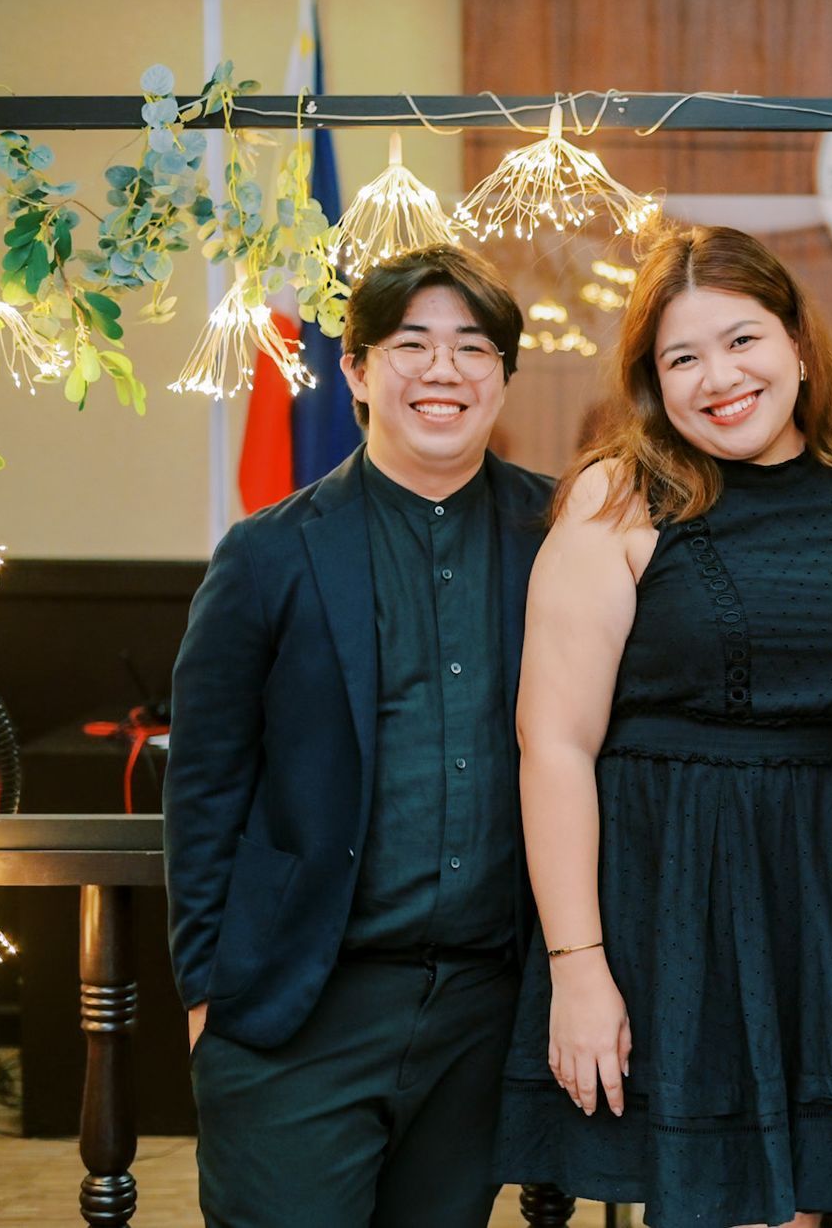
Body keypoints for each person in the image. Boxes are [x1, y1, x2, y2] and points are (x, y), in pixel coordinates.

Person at [492, 225, 832, 1228]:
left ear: (798, 345)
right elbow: (554, 745)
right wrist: (577, 965)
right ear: (653, 381)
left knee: (824, 1204)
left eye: (742, 341)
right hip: (681, 896)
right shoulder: (617, 497)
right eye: (682, 357)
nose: (719, 378)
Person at [165, 243, 547, 1227]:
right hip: (300, 1007)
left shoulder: (560, 536)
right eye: (411, 344)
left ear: (503, 375)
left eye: (472, 347)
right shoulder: (267, 552)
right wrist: (207, 997)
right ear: (358, 371)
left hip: (484, 1012)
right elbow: (204, 787)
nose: (443, 370)